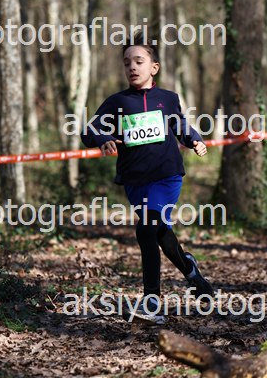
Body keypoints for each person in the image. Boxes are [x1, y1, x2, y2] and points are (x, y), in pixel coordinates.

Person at [81, 32, 213, 324]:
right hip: (135, 180)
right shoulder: (118, 102)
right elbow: (88, 131)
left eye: (139, 61)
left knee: (146, 229)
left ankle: (152, 301)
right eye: (127, 62)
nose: (132, 67)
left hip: (166, 177)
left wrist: (195, 140)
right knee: (160, 232)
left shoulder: (167, 99)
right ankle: (191, 271)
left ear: (154, 67)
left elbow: (180, 126)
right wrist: (103, 138)